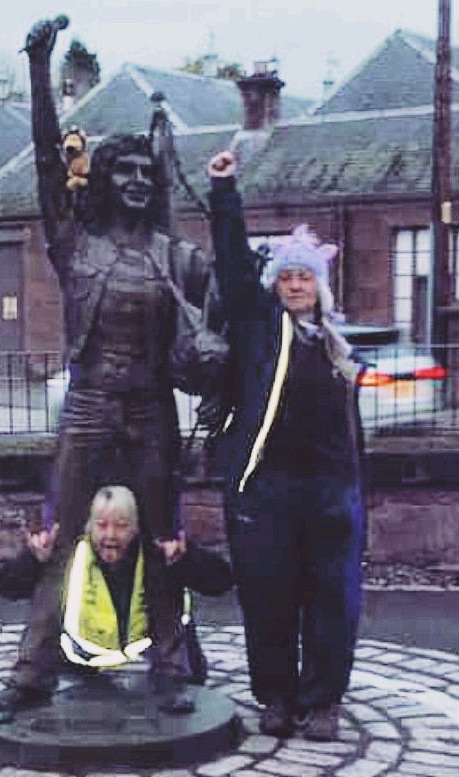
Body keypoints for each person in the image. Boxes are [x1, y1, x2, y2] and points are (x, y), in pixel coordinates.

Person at [0, 18, 214, 719]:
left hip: (151, 406)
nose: (138, 181)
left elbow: (229, 294)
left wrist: (228, 215)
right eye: (126, 171)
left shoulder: (173, 255)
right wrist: (38, 71)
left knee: (165, 538)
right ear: (106, 181)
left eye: (148, 172)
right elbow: (50, 163)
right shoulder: (74, 245)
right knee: (55, 540)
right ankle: (31, 672)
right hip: (87, 403)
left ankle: (168, 664)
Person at [206, 150, 366, 741]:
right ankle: (275, 696)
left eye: (305, 277)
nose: (295, 285)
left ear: (319, 285)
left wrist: (352, 491)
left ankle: (322, 700)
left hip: (329, 493)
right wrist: (224, 190)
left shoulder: (336, 345)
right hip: (264, 490)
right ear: (275, 284)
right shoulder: (256, 324)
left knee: (330, 600)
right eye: (287, 276)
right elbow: (229, 263)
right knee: (269, 598)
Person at [0, 486, 232, 695]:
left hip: (151, 647)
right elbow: (7, 588)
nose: (110, 535)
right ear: (89, 527)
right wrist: (33, 560)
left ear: (136, 528)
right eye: (101, 525)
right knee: (50, 581)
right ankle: (28, 683)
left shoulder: (157, 552)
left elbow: (220, 582)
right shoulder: (70, 555)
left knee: (167, 576)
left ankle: (174, 678)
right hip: (79, 657)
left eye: (121, 526)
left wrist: (187, 558)